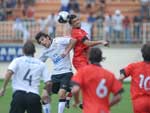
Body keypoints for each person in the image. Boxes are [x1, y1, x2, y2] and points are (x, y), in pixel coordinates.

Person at [68, 14, 109, 107]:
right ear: (72, 25)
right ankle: (81, 100)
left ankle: (71, 95)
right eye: (75, 22)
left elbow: (86, 47)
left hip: (84, 59)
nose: (78, 22)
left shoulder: (81, 31)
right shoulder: (77, 32)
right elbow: (88, 43)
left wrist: (94, 58)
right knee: (87, 79)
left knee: (88, 79)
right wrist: (101, 41)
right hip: (79, 60)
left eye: (78, 20)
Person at [0, 41, 51, 113]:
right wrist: (47, 93)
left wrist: (3, 88)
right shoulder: (41, 64)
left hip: (18, 96)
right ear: (34, 51)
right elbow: (48, 83)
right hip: (34, 97)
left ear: (23, 50)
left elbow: (9, 72)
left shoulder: (17, 60)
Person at [71, 47, 123, 113]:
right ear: (101, 58)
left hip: (89, 110)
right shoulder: (109, 74)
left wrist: (77, 101)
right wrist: (107, 106)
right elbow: (118, 96)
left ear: (88, 57)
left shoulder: (83, 71)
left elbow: (75, 90)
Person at [35, 32, 76, 113]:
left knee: (61, 93)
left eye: (43, 39)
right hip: (55, 75)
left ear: (48, 37)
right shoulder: (45, 51)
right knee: (44, 95)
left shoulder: (58, 41)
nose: (42, 43)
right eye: (40, 42)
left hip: (66, 72)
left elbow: (74, 40)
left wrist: (66, 51)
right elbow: (38, 63)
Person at [119, 42, 150, 113]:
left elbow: (121, 77)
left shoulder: (134, 66)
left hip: (139, 102)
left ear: (142, 54)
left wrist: (119, 91)